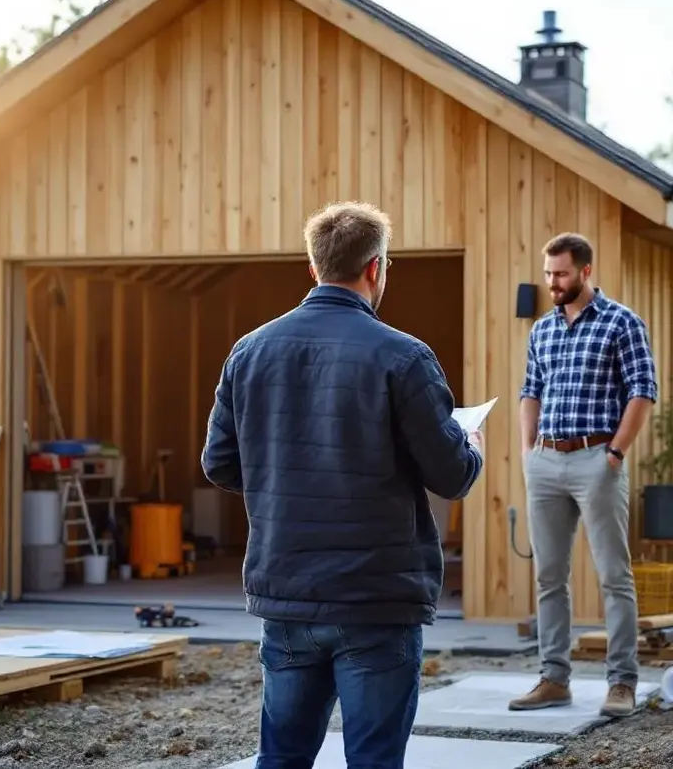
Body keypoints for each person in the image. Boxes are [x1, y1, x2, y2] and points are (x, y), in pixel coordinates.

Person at [201, 201, 484, 769]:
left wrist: (283, 476)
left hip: (286, 591)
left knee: (280, 759)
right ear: (376, 268)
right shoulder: (405, 357)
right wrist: (470, 447)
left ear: (313, 267)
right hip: (376, 598)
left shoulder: (249, 352)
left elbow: (219, 463)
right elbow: (451, 477)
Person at [508, 232, 658, 719]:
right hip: (547, 463)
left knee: (614, 576)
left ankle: (622, 683)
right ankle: (554, 679)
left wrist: (615, 452)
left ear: (586, 272)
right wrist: (528, 451)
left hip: (598, 460)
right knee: (549, 577)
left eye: (562, 274)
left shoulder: (622, 323)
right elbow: (529, 391)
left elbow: (643, 390)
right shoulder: (542, 331)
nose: (553, 282)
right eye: (549, 273)